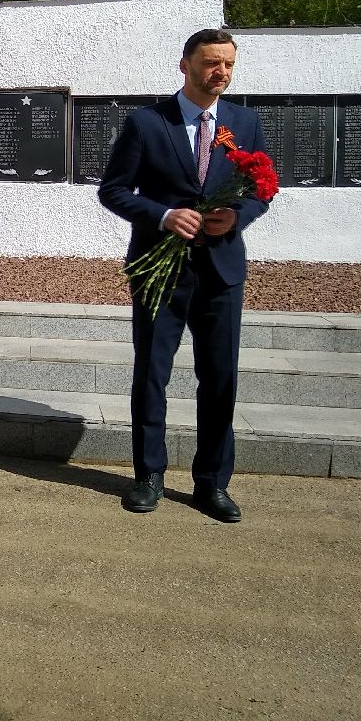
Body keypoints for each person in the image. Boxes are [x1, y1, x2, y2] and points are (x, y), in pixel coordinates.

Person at [98, 28, 271, 523]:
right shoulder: (148, 123)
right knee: (152, 373)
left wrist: (238, 216)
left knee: (220, 378)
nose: (221, 72)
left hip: (221, 269)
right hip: (161, 270)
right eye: (211, 63)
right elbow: (113, 190)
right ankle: (149, 475)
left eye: (228, 65)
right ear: (186, 66)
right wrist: (162, 215)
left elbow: (261, 187)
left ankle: (212, 482)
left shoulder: (243, 121)